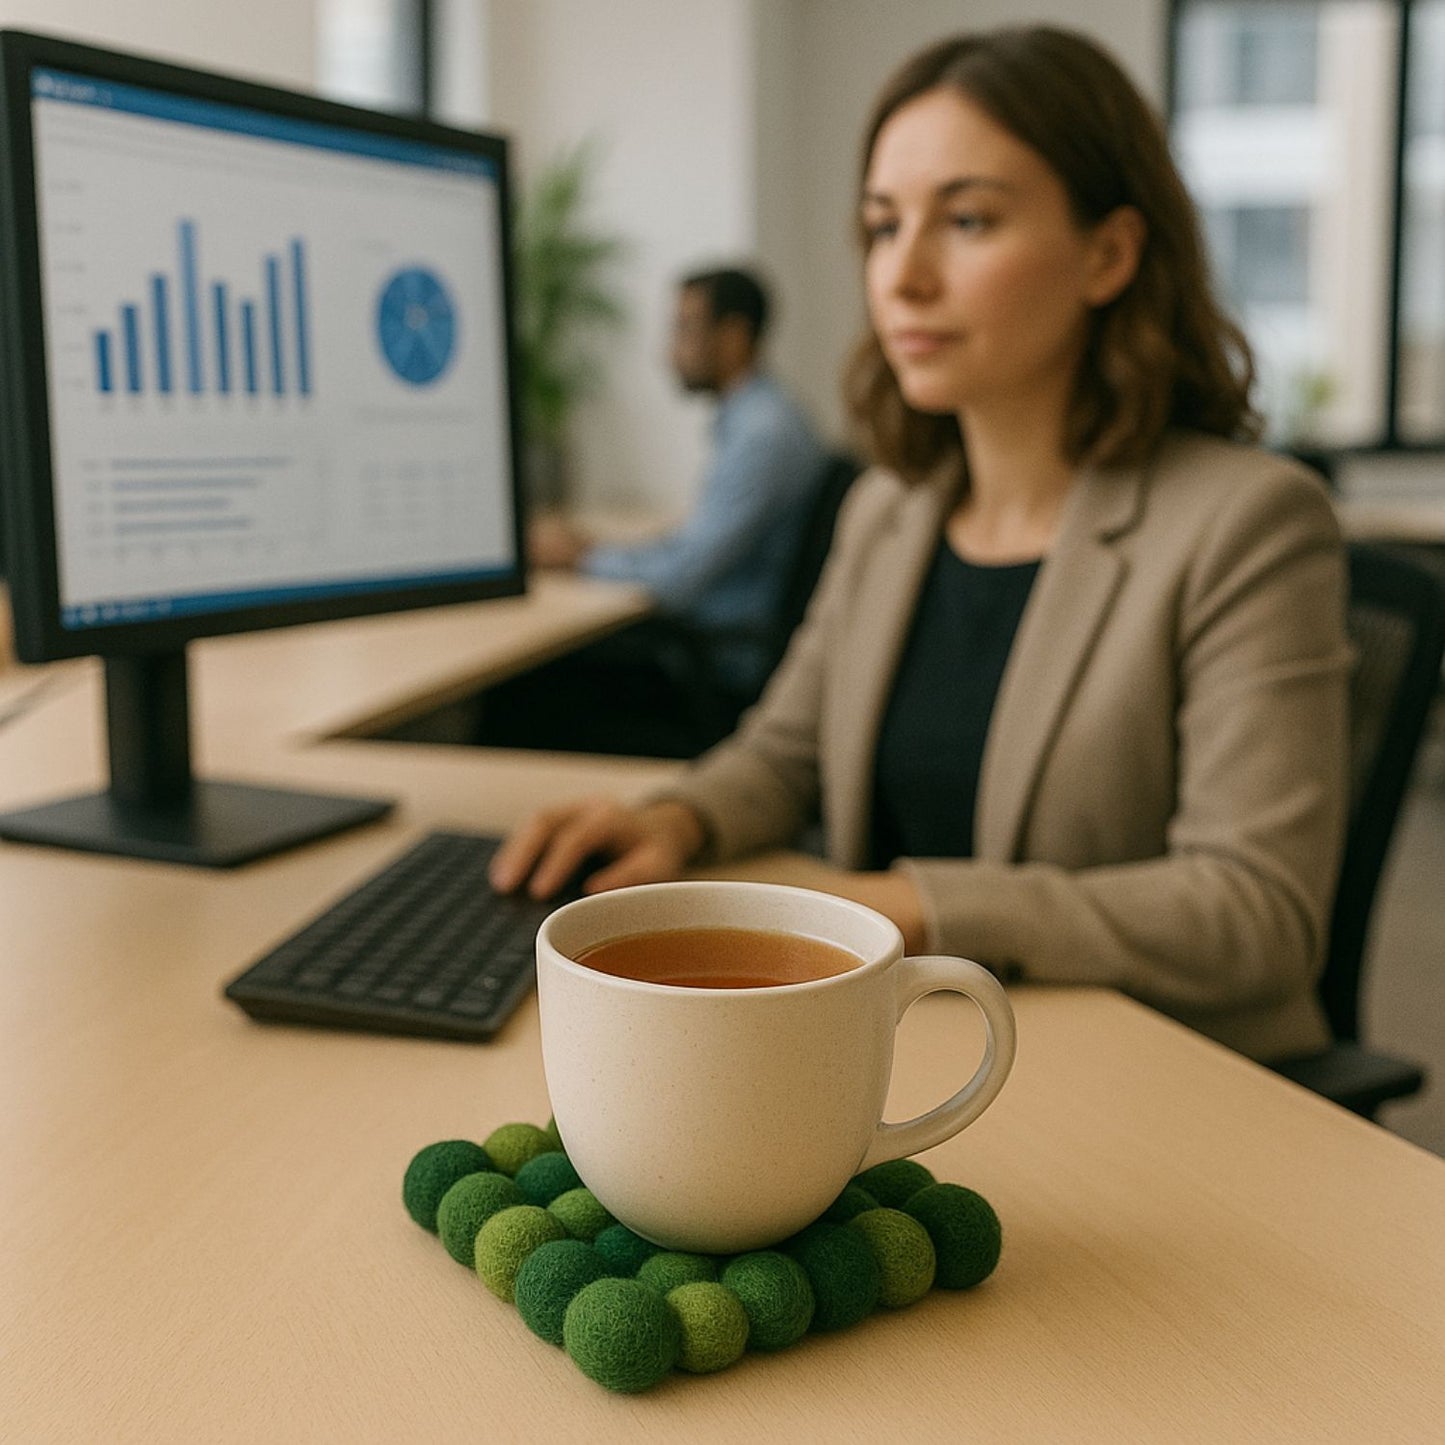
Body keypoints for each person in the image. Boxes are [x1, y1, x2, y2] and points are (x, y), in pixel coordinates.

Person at [491, 27, 1352, 1062]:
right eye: (881, 226)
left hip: (1152, 1074)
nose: (900, 276)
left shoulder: (1248, 524)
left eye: (968, 220)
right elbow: (785, 750)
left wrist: (912, 904)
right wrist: (680, 818)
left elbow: (1254, 910)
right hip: (906, 1047)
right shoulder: (890, 508)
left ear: (1108, 254)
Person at [529, 266, 828, 700]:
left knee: (534, 686)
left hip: (721, 663)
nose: (671, 351)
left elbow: (682, 578)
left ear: (733, 336)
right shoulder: (760, 419)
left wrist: (584, 558)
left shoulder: (763, 435)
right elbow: (697, 546)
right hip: (717, 648)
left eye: (685, 328)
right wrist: (598, 550)